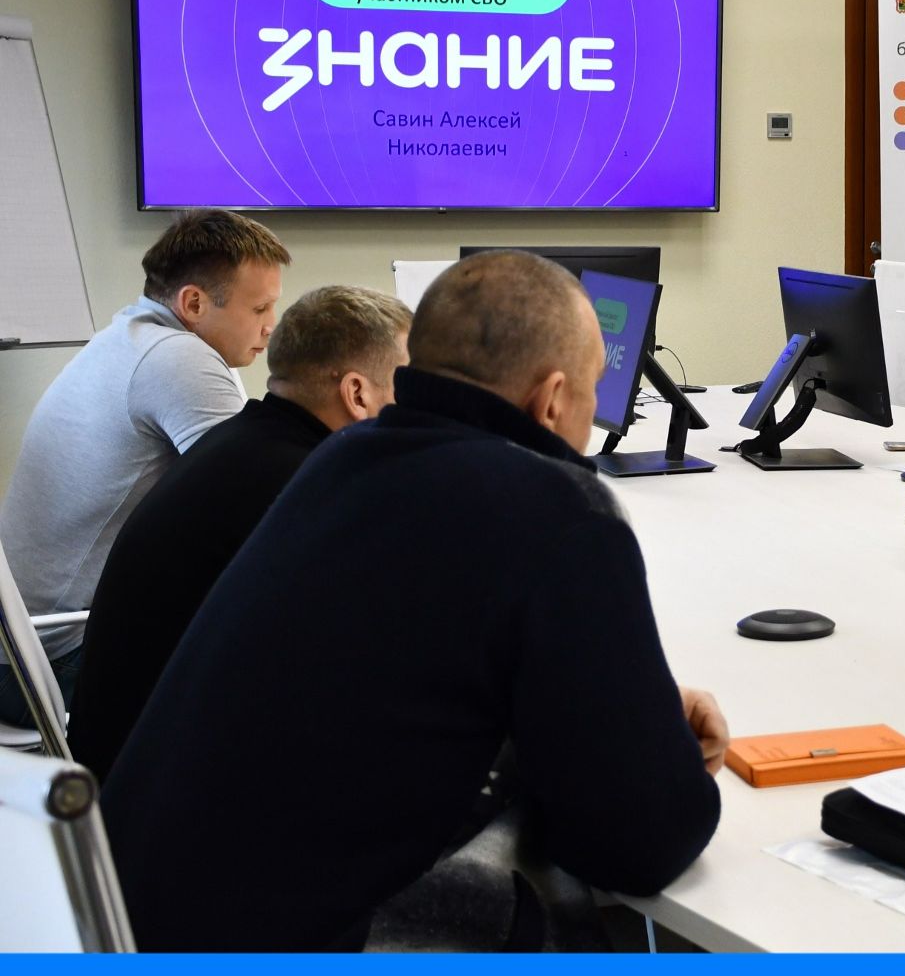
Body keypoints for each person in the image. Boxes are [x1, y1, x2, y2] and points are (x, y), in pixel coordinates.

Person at [102, 251, 727, 951]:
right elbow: (640, 843)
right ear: (553, 399)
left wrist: (616, 704)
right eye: (592, 389)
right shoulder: (559, 509)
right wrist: (657, 744)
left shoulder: (341, 461)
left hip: (137, 916)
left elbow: (408, 688)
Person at [65, 286, 413, 782]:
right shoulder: (304, 487)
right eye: (409, 387)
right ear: (358, 394)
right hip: (164, 785)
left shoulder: (242, 443)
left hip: (124, 758)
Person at [0, 209, 288, 726]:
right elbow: (267, 510)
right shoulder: (179, 359)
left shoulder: (127, 335)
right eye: (260, 307)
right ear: (194, 303)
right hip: (48, 666)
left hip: (20, 648)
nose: (272, 325)